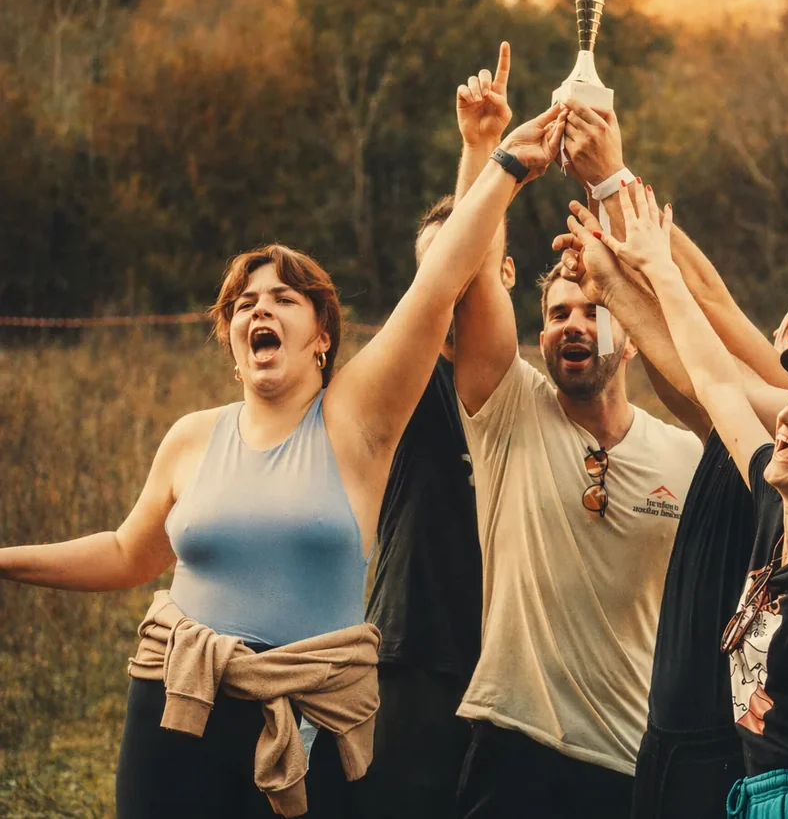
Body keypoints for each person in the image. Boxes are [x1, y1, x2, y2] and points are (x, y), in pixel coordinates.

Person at [0, 62, 565, 819]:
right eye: (243, 304)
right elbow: (127, 552)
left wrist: (491, 160)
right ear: (234, 341)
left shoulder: (356, 420)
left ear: (321, 336)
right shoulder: (191, 438)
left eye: (283, 298)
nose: (258, 310)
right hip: (175, 698)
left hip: (310, 714)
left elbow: (441, 287)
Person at [551, 107, 788, 819]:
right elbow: (699, 347)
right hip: (667, 733)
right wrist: (612, 239)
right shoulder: (755, 427)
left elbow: (709, 310)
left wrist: (617, 186)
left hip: (732, 751)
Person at [449, 111, 704, 817]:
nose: (574, 323)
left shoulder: (682, 456)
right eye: (559, 313)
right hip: (512, 746)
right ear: (539, 335)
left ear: (626, 328)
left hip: (630, 760)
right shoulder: (510, 412)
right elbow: (469, 281)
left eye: (592, 309)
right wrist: (495, 159)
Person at [357, 45, 517, 819]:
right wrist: (481, 154)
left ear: (507, 278)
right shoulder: (408, 392)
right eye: (431, 277)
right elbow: (456, 273)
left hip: (519, 673)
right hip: (413, 659)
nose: (447, 287)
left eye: (468, 269)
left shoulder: (538, 397)